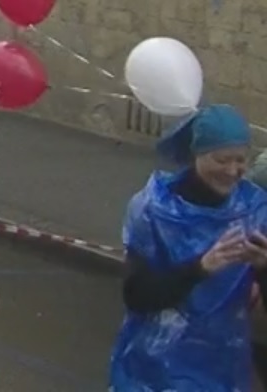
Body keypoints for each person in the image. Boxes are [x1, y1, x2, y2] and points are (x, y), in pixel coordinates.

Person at [112, 103, 267, 391]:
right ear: (197, 154)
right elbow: (136, 296)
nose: (233, 171)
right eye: (221, 160)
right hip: (154, 368)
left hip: (221, 368)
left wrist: (263, 268)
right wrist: (200, 269)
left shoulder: (255, 209)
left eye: (240, 160)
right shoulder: (153, 209)